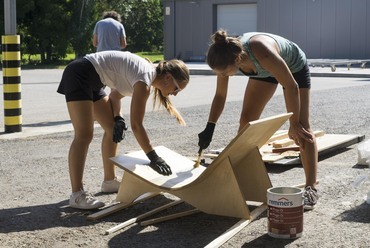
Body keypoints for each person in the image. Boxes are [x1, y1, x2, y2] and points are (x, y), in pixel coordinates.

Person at [198, 30, 318, 209]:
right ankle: (238, 179)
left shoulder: (261, 50)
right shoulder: (223, 56)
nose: (223, 76)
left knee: (302, 128)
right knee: (246, 121)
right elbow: (220, 95)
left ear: (237, 60)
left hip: (293, 67)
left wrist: (293, 123)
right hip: (262, 71)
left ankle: (311, 188)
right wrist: (210, 126)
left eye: (224, 73)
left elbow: (291, 85)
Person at [57, 51, 189, 209]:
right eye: (177, 89)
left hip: (94, 80)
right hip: (80, 74)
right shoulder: (145, 80)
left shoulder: (145, 76)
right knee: (84, 134)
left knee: (112, 129)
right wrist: (154, 157)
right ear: (168, 78)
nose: (174, 94)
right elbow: (136, 125)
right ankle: (77, 195)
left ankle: (109, 181)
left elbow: (114, 96)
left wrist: (118, 118)